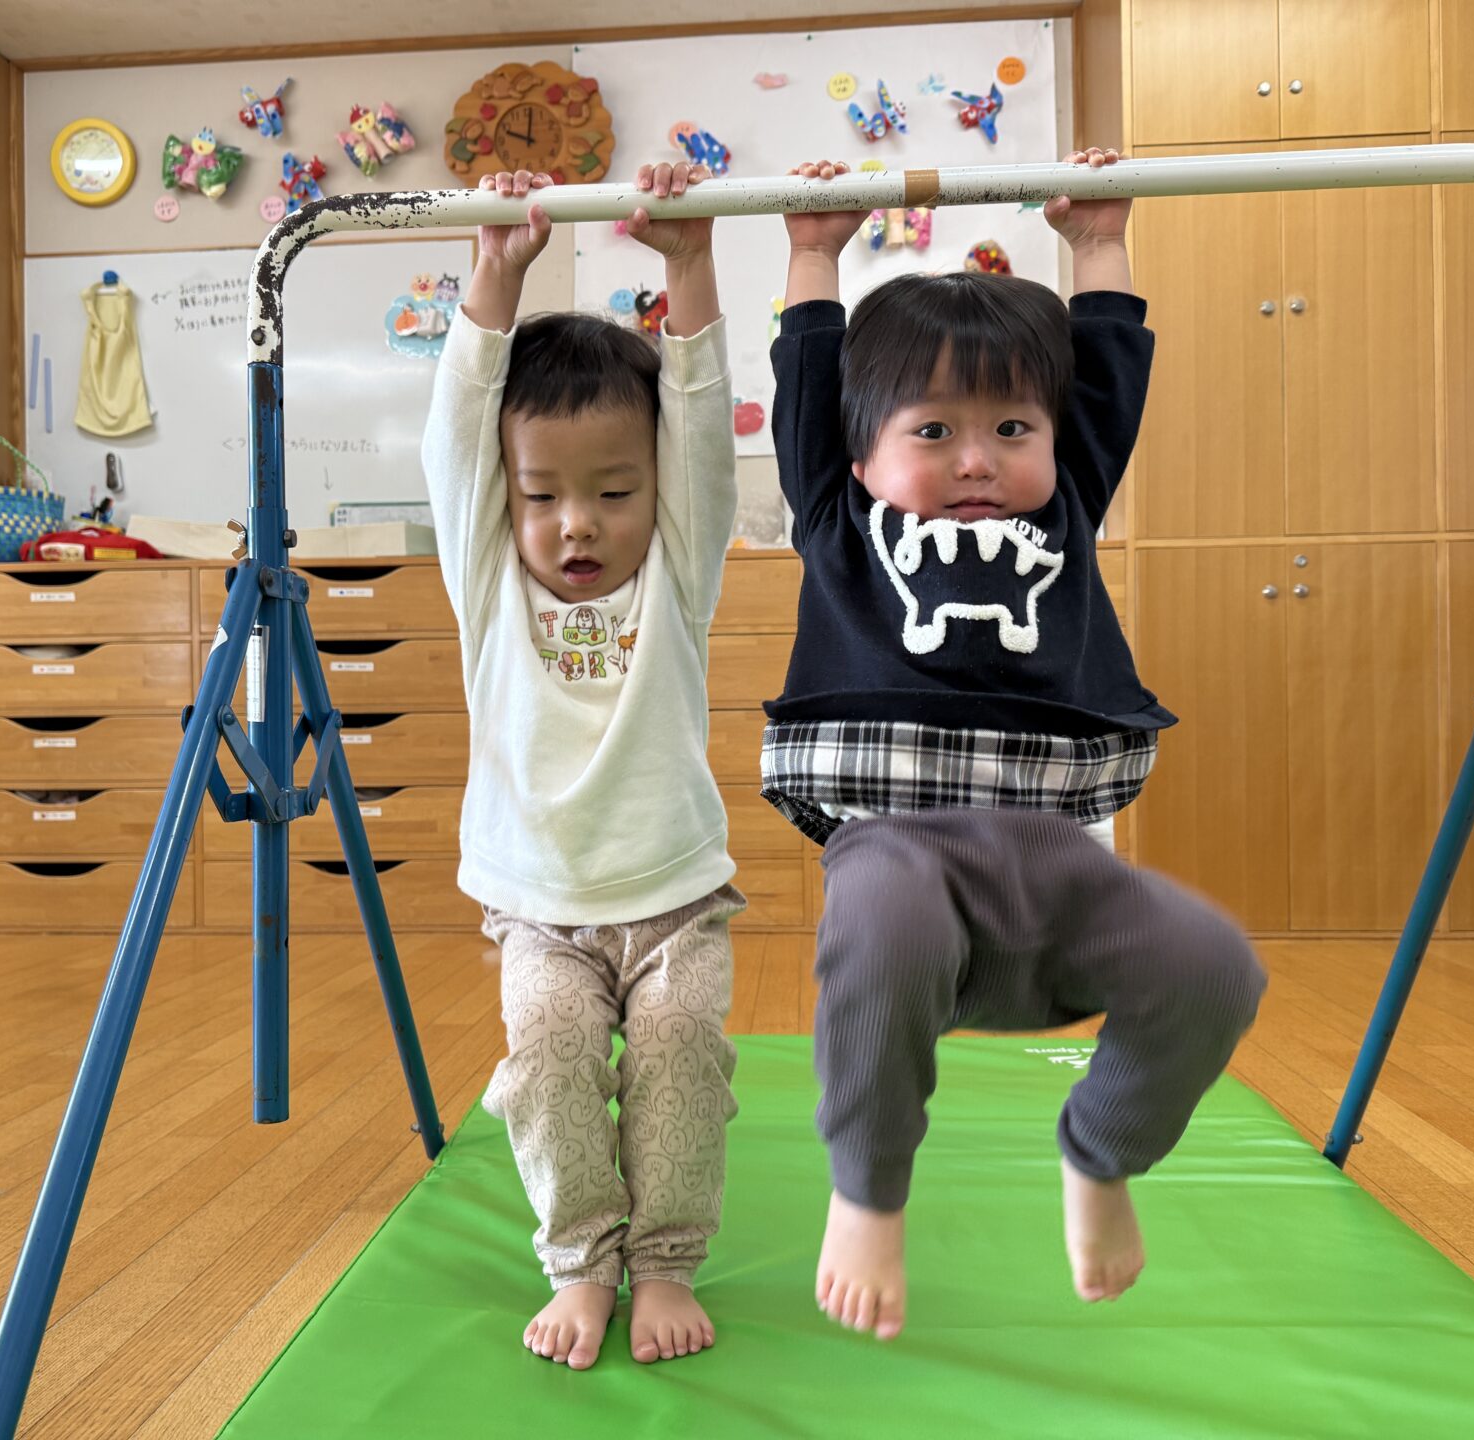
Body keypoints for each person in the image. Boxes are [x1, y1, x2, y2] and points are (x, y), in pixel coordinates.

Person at [760, 149, 1268, 1340]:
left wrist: (1098, 243)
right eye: (934, 430)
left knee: (1212, 964)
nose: (978, 460)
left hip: (1051, 859)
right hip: (897, 846)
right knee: (889, 931)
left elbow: (1108, 381)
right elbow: (810, 373)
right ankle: (867, 1192)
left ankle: (1101, 1153)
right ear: (860, 453)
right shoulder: (839, 517)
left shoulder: (1065, 506)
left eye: (1010, 429)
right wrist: (813, 253)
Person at [421, 160, 743, 1370]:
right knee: (551, 1057)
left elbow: (699, 428)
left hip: (674, 896)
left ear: (654, 492)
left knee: (680, 1057)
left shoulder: (677, 571)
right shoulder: (489, 584)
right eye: (544, 495)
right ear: (506, 501)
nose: (577, 523)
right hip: (541, 906)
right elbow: (459, 435)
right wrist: (495, 274)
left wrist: (690, 263)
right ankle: (581, 1261)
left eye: (614, 491)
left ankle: (665, 1261)